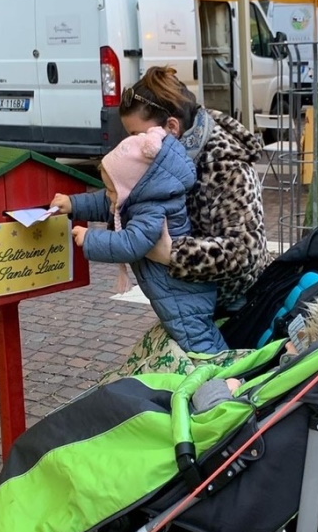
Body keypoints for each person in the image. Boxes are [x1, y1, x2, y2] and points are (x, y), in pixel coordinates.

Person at [52, 126, 228, 356]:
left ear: (131, 188)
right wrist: (73, 204)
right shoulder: (143, 196)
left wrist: (90, 238)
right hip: (178, 290)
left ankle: (224, 382)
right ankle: (234, 369)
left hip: (181, 294)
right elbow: (107, 205)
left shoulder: (152, 208)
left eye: (112, 190)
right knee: (204, 335)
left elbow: (132, 243)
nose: (108, 195)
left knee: (198, 345)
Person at [118, 66, 269, 311]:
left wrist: (171, 254)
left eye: (137, 135)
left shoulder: (226, 165)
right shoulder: (166, 158)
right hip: (190, 297)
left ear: (172, 127)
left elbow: (244, 252)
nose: (133, 145)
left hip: (234, 306)